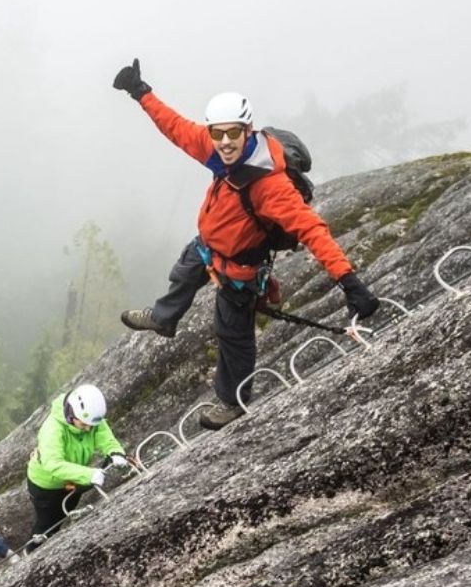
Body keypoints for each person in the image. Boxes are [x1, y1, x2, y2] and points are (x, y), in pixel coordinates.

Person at [111, 58, 380, 428]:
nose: (223, 142)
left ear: (248, 130)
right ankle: (163, 318)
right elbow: (175, 128)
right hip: (208, 246)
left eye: (232, 134)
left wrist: (350, 283)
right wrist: (140, 92)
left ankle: (232, 401)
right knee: (184, 273)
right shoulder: (215, 146)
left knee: (232, 334)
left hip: (239, 268)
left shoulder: (270, 185)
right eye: (217, 133)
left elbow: (312, 231)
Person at [23, 384, 128, 551]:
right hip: (45, 485)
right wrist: (88, 474)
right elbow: (52, 463)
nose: (88, 429)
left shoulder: (90, 420)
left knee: (64, 514)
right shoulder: (53, 429)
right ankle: (32, 552)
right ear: (71, 414)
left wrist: (116, 452)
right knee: (48, 524)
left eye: (91, 426)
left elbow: (104, 437)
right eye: (84, 425)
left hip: (74, 478)